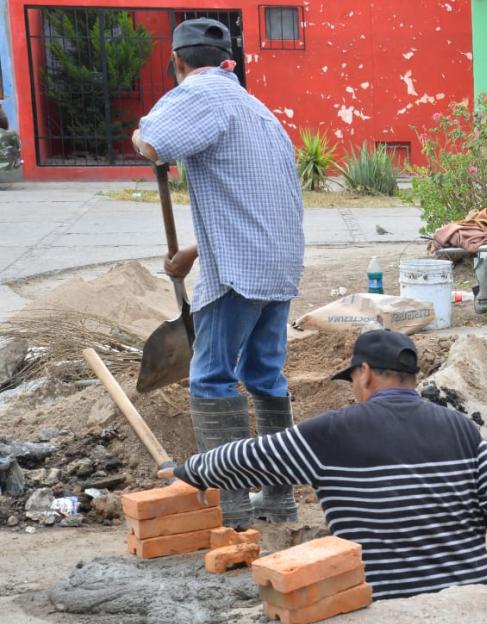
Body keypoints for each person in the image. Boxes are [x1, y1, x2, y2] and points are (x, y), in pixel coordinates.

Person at [161, 330, 487, 600]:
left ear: (365, 372)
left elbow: (244, 457)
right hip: (471, 597)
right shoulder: (459, 426)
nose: (355, 387)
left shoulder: (333, 433)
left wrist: (188, 471)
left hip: (381, 601)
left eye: (353, 378)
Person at [131, 18, 305, 527]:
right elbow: (256, 201)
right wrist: (193, 250)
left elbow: (155, 142)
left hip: (239, 270)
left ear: (179, 62)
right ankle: (278, 500)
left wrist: (142, 134)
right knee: (265, 376)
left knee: (210, 379)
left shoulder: (200, 93)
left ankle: (231, 509)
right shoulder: (255, 108)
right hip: (276, 263)